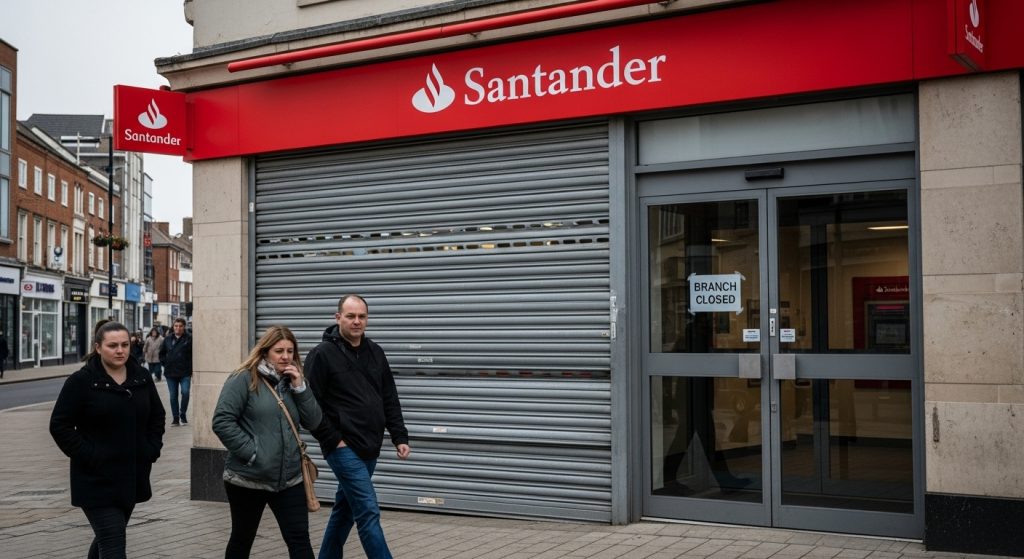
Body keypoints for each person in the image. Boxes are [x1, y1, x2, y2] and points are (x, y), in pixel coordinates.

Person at [49, 320, 165, 559]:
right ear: (98, 347)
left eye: (125, 344)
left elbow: (157, 416)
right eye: (113, 345)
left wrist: (150, 449)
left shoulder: (141, 377)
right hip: (95, 479)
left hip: (131, 476)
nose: (120, 350)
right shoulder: (81, 381)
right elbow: (59, 425)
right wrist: (90, 455)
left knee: (109, 535)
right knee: (113, 540)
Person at [306, 294, 410, 559]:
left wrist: (399, 435)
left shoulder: (375, 351)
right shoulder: (322, 355)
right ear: (337, 317)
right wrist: (333, 440)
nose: (356, 321)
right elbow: (309, 406)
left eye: (361, 316)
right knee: (367, 510)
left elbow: (389, 395)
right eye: (350, 316)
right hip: (343, 448)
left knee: (345, 509)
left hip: (370, 445)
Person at [212, 325, 323, 559]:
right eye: (279, 351)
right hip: (248, 479)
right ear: (265, 352)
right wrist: (254, 454)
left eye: (290, 351)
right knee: (243, 538)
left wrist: (300, 388)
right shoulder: (244, 378)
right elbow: (222, 421)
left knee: (299, 540)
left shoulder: (293, 381)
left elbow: (314, 421)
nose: (285, 356)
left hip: (289, 478)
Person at [160, 317, 193, 426]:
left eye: (180, 326)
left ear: (184, 327)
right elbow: (162, 353)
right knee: (173, 395)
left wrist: (190, 367)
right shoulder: (168, 339)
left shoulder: (189, 339)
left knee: (185, 392)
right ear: (173, 327)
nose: (178, 328)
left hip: (185, 372)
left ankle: (182, 413)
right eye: (176, 326)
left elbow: (194, 354)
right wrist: (166, 363)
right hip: (171, 372)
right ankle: (175, 417)